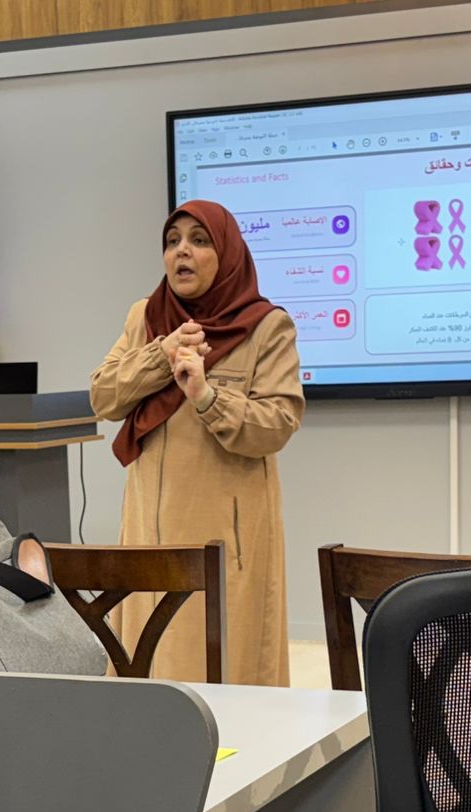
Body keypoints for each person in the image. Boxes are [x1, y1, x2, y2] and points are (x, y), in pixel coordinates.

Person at [90, 200, 304, 687]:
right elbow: (103, 397)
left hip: (225, 540)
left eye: (199, 240)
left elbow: (277, 423)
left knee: (223, 674)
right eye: (172, 241)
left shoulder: (266, 326)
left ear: (226, 253)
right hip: (147, 534)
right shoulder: (146, 316)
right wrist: (159, 356)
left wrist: (208, 397)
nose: (181, 252)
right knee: (147, 670)